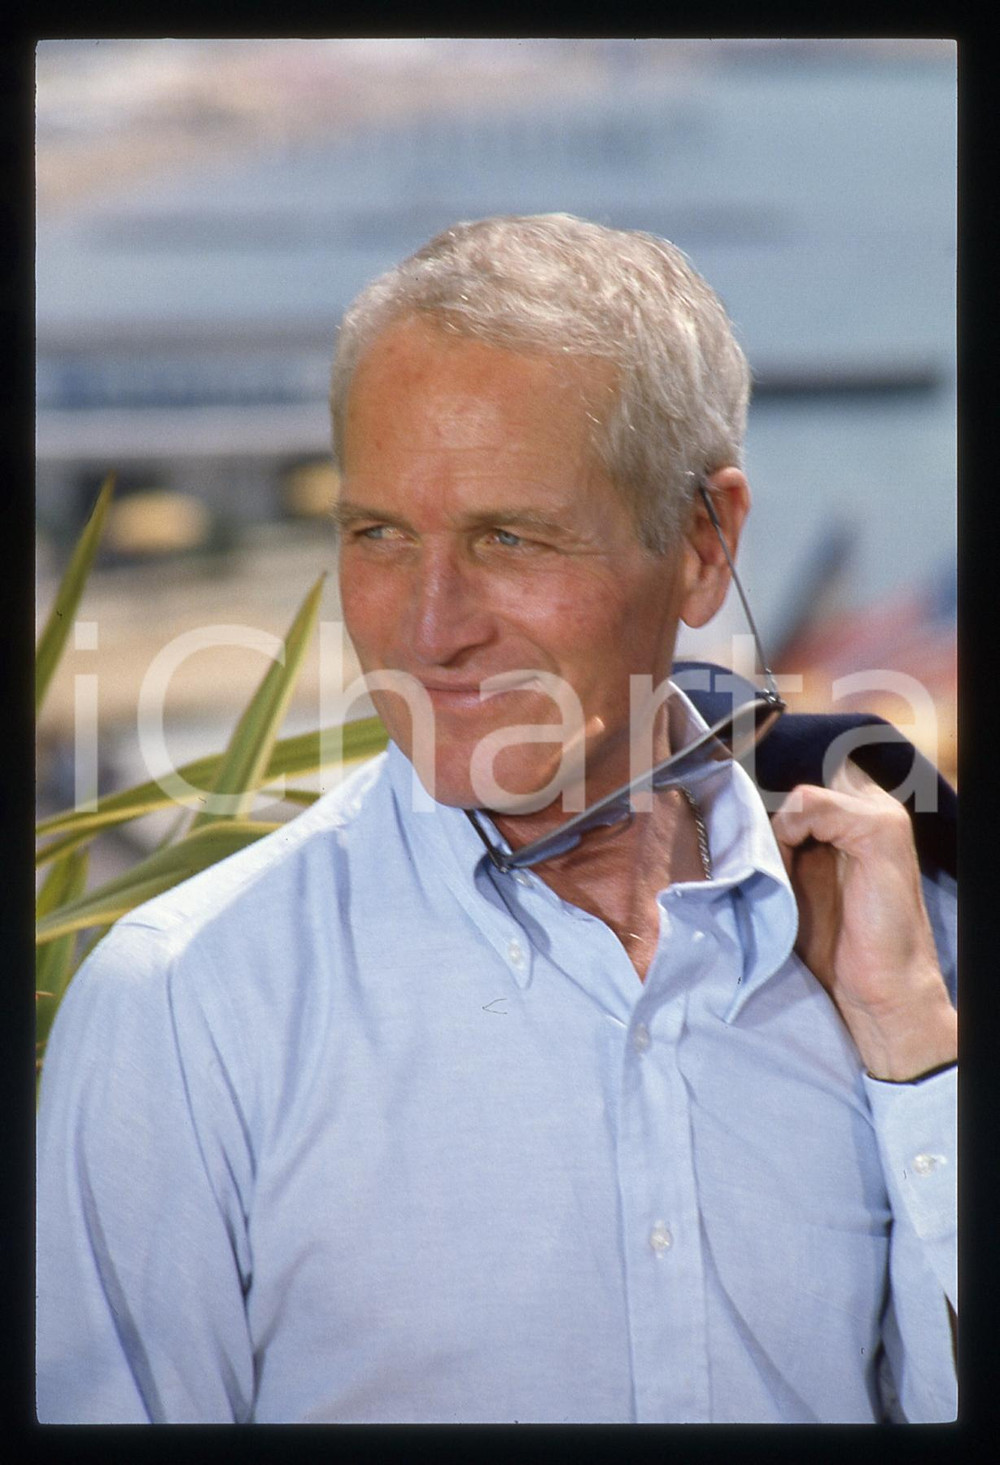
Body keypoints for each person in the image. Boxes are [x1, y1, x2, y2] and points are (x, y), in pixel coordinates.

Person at [36, 214, 957, 1424]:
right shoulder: (189, 1001)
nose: (428, 629)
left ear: (702, 540)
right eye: (378, 535)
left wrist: (921, 1061)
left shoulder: (907, 947)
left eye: (507, 538)